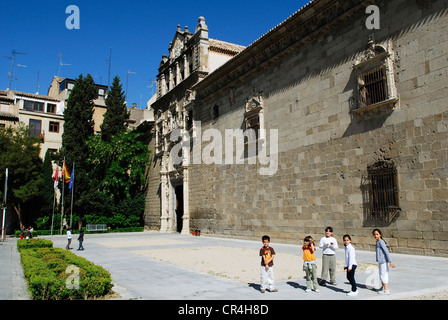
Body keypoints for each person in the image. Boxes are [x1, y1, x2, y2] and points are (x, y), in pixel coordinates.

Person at [373, 229, 395, 295]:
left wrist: (390, 261)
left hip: (384, 261)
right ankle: (383, 287)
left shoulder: (381, 242)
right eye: (374, 234)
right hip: (380, 261)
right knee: (381, 274)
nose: (375, 236)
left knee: (384, 274)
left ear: (380, 234)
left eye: (377, 234)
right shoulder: (378, 242)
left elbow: (386, 251)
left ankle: (386, 290)